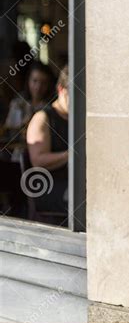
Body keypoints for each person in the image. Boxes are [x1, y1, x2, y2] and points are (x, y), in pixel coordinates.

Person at [26, 65, 69, 225]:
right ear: (61, 90)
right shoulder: (43, 118)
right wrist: (70, 154)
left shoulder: (76, 118)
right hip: (49, 187)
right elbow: (38, 160)